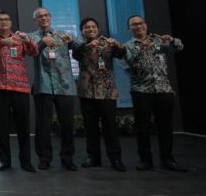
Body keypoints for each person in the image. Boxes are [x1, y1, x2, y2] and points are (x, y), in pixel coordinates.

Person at [124, 15, 187, 172]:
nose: (139, 26)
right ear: (129, 29)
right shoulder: (128, 46)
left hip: (163, 89)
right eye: (134, 25)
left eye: (141, 23)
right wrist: (142, 48)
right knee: (143, 127)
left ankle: (168, 159)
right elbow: (131, 62)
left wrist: (171, 40)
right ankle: (145, 160)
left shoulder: (158, 41)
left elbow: (178, 47)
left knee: (165, 127)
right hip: (141, 90)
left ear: (145, 24)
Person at [72, 18, 127, 172]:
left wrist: (117, 44)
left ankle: (116, 159)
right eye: (87, 27)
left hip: (107, 91)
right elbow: (76, 55)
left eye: (93, 26)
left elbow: (121, 54)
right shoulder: (80, 44)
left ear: (98, 28)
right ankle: (93, 158)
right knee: (90, 127)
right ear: (82, 30)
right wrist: (87, 46)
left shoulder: (107, 42)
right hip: (87, 91)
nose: (90, 29)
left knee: (110, 127)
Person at [0, 11, 37, 172]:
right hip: (0, 87)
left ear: (11, 22)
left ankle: (26, 161)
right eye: (0, 20)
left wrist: (28, 40)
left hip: (20, 86)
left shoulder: (21, 37)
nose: (3, 22)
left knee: (23, 126)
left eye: (6, 19)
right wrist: (3, 43)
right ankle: (5, 161)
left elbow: (33, 52)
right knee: (3, 126)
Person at [28, 7, 78, 171]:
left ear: (51, 17)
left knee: (67, 124)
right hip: (43, 86)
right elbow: (30, 51)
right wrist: (43, 42)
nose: (43, 18)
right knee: (43, 125)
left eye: (46, 15)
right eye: (39, 16)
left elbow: (80, 47)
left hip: (65, 85)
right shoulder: (32, 37)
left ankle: (67, 158)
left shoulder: (62, 34)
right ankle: (44, 158)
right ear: (35, 20)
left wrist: (71, 41)